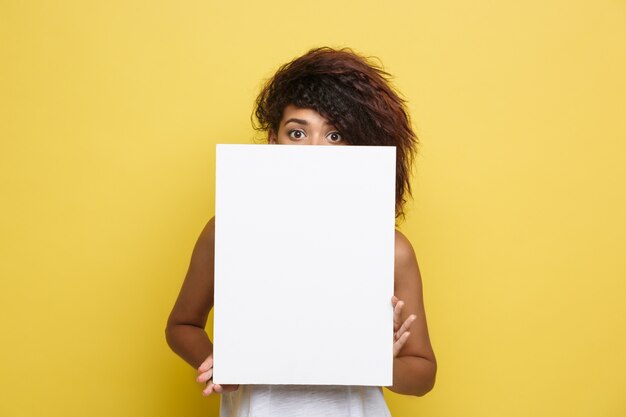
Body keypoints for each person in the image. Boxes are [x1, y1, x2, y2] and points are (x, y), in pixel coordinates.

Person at [166, 47, 437, 417]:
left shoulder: (389, 249)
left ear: (360, 147)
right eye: (297, 132)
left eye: (335, 136)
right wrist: (218, 365)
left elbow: (423, 373)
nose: (314, 149)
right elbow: (182, 325)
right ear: (273, 141)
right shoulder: (228, 230)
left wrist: (375, 362)